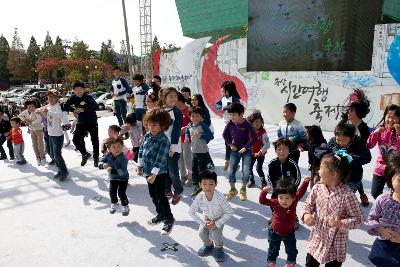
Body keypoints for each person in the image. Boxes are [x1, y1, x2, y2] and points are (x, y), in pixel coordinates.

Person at [302, 153, 364, 267]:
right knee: (310, 264)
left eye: (321, 168)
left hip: (336, 243)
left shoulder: (347, 195)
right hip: (317, 237)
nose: (318, 171)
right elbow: (308, 204)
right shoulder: (317, 187)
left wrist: (340, 223)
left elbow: (359, 219)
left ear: (333, 174)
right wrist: (306, 214)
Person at [137, 108, 175, 235]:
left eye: (155, 124)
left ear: (162, 125)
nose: (151, 126)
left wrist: (154, 174)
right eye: (149, 123)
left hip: (159, 173)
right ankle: (160, 214)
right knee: (153, 195)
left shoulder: (164, 140)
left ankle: (169, 218)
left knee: (161, 196)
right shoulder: (147, 135)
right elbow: (141, 151)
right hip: (148, 172)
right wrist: (139, 165)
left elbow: (160, 159)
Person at [259, 177, 310, 267]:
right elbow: (262, 201)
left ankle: (290, 263)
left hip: (289, 233)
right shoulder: (276, 202)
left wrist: (305, 182)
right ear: (277, 196)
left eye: (287, 198)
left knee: (292, 251)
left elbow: (300, 192)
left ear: (293, 198)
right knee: (272, 251)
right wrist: (264, 192)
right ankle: (271, 263)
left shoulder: (294, 201)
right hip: (274, 232)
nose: (283, 201)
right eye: (281, 197)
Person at [188, 169, 233, 262]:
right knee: (201, 233)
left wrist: (217, 223)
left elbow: (230, 212)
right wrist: (204, 223)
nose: (208, 187)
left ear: (216, 184)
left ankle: (219, 248)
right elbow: (191, 212)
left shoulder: (220, 197)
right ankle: (208, 245)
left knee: (216, 235)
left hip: (219, 217)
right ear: (200, 184)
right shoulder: (199, 197)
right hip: (207, 217)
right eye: (204, 184)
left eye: (211, 184)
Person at [316, 122, 371, 195]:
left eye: (344, 140)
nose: (340, 143)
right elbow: (318, 150)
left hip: (352, 179)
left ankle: (361, 195)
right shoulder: (333, 142)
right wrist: (332, 154)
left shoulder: (358, 143)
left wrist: (347, 157)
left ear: (352, 138)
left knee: (345, 198)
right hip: (335, 178)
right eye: (338, 140)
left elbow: (367, 157)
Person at [367, 152, 400, 266]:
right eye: (399, 180)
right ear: (390, 179)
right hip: (383, 246)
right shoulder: (382, 199)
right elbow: (372, 218)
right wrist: (381, 230)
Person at [341, 91, 371, 205]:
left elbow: (366, 146)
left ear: (358, 112)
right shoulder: (345, 123)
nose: (348, 112)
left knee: (356, 176)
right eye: (348, 110)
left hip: (356, 157)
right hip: (344, 155)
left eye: (351, 110)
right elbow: (337, 137)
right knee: (348, 176)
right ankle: (362, 194)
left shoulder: (363, 128)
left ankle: (362, 195)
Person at [223, 103, 257, 201]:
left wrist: (246, 147)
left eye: (233, 114)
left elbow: (254, 138)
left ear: (241, 114)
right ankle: (233, 189)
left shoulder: (247, 124)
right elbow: (224, 135)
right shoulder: (231, 122)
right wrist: (230, 144)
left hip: (246, 150)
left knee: (246, 170)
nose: (231, 117)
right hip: (235, 149)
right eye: (230, 114)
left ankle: (243, 190)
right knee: (230, 170)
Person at [63, 81, 100, 167]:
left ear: (83, 89)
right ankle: (85, 154)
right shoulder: (73, 98)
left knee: (94, 140)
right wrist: (74, 110)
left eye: (80, 89)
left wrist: (83, 109)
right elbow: (65, 106)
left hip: (92, 121)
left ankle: (96, 157)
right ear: (73, 91)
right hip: (81, 122)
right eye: (76, 90)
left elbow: (95, 107)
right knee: (75, 139)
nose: (79, 91)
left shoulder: (88, 97)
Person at [367, 104, 400, 199]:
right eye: (388, 117)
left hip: (395, 169)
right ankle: (383, 206)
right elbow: (369, 145)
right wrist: (375, 133)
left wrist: (398, 134)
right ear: (384, 116)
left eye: (395, 118)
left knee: (396, 194)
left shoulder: (399, 132)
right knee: (375, 193)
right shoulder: (380, 130)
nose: (390, 120)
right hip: (380, 168)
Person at [160, 87, 184, 205]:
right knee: (165, 170)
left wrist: (173, 148)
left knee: (173, 171)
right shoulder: (160, 111)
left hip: (173, 147)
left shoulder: (177, 113)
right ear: (164, 98)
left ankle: (178, 191)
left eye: (175, 97)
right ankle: (167, 190)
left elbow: (176, 131)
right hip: (162, 146)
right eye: (171, 96)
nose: (174, 99)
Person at [42, 89, 70, 181]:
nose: (51, 99)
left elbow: (60, 116)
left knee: (57, 155)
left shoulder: (58, 106)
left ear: (57, 98)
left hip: (57, 135)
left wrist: (48, 112)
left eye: (53, 97)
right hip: (50, 133)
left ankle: (64, 172)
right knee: (52, 154)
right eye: (49, 97)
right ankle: (60, 170)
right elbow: (47, 114)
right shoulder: (50, 106)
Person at [186, 106, 214, 197]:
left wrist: (201, 136)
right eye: (193, 116)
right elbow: (187, 131)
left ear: (201, 117)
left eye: (197, 116)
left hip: (203, 152)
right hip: (194, 151)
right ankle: (196, 185)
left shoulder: (203, 125)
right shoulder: (190, 125)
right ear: (190, 117)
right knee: (194, 169)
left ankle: (204, 186)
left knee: (202, 170)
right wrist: (187, 138)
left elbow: (211, 136)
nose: (195, 118)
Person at [99, 137, 130, 216]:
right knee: (112, 191)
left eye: (119, 146)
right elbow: (100, 162)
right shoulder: (108, 155)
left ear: (122, 146)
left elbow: (123, 171)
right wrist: (103, 165)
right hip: (113, 178)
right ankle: (115, 203)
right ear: (109, 148)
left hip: (123, 178)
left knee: (121, 192)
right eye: (114, 147)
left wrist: (111, 170)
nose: (117, 149)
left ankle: (125, 205)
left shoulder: (124, 157)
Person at [214, 81, 241, 171]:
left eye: (223, 89)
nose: (221, 91)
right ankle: (228, 161)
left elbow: (234, 107)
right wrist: (220, 108)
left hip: (234, 124)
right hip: (227, 123)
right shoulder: (224, 98)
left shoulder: (234, 98)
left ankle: (232, 162)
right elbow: (216, 104)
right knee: (228, 142)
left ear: (228, 90)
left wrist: (224, 108)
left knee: (231, 143)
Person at [246, 111, 270, 188]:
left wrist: (261, 152)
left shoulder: (263, 133)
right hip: (251, 153)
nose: (258, 123)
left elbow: (267, 144)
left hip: (260, 154)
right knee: (249, 167)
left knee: (259, 169)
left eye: (260, 121)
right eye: (256, 122)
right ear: (251, 123)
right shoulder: (249, 131)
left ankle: (263, 182)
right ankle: (251, 180)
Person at [19, 99, 46, 166]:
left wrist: (31, 123)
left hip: (39, 129)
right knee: (34, 144)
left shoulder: (37, 111)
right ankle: (37, 157)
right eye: (28, 107)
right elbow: (20, 116)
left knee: (40, 144)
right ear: (26, 107)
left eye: (32, 106)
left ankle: (42, 157)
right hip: (32, 130)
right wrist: (26, 120)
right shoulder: (25, 112)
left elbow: (39, 119)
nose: (30, 108)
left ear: (35, 106)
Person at [191, 94, 214, 168]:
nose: (193, 101)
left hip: (207, 130)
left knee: (202, 146)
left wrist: (200, 129)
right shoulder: (193, 109)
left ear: (199, 100)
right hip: (197, 132)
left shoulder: (203, 109)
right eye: (192, 100)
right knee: (200, 146)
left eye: (195, 99)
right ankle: (208, 162)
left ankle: (208, 163)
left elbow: (208, 121)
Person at [176, 92, 192, 185]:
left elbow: (194, 123)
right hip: (177, 139)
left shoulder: (188, 110)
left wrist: (185, 128)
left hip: (187, 139)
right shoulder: (175, 110)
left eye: (175, 100)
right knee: (180, 159)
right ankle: (183, 176)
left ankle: (190, 178)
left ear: (180, 100)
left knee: (187, 159)